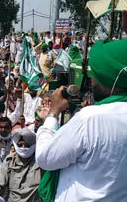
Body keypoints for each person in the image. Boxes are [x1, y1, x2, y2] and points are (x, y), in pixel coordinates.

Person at [36, 39, 127, 201]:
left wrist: (52, 113)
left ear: (109, 78)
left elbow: (45, 157)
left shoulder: (91, 119)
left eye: (96, 75)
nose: (91, 81)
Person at [0, 128, 42, 201]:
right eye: (20, 145)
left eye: (27, 145)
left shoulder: (40, 161)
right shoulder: (9, 161)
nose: (23, 148)